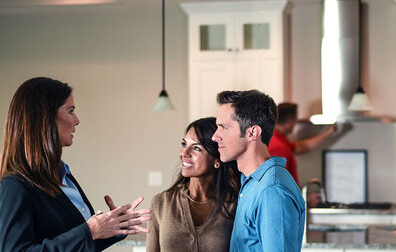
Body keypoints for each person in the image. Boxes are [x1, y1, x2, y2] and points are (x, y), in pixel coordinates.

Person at [0, 77, 152, 252]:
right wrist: (90, 230)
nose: (77, 120)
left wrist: (114, 227)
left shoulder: (64, 175)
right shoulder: (14, 186)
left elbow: (80, 243)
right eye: (71, 111)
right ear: (46, 117)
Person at [212, 90, 305, 252]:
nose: (215, 136)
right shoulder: (252, 181)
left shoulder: (272, 191)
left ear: (252, 132)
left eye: (223, 127)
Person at [146, 117, 241, 252]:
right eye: (184, 144)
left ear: (217, 159)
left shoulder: (235, 205)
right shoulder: (161, 203)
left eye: (196, 148)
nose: (184, 153)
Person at [268, 103, 337, 185]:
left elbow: (302, 147)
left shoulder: (276, 139)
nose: (296, 123)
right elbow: (279, 183)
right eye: (295, 119)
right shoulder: (278, 147)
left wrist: (328, 133)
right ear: (290, 120)